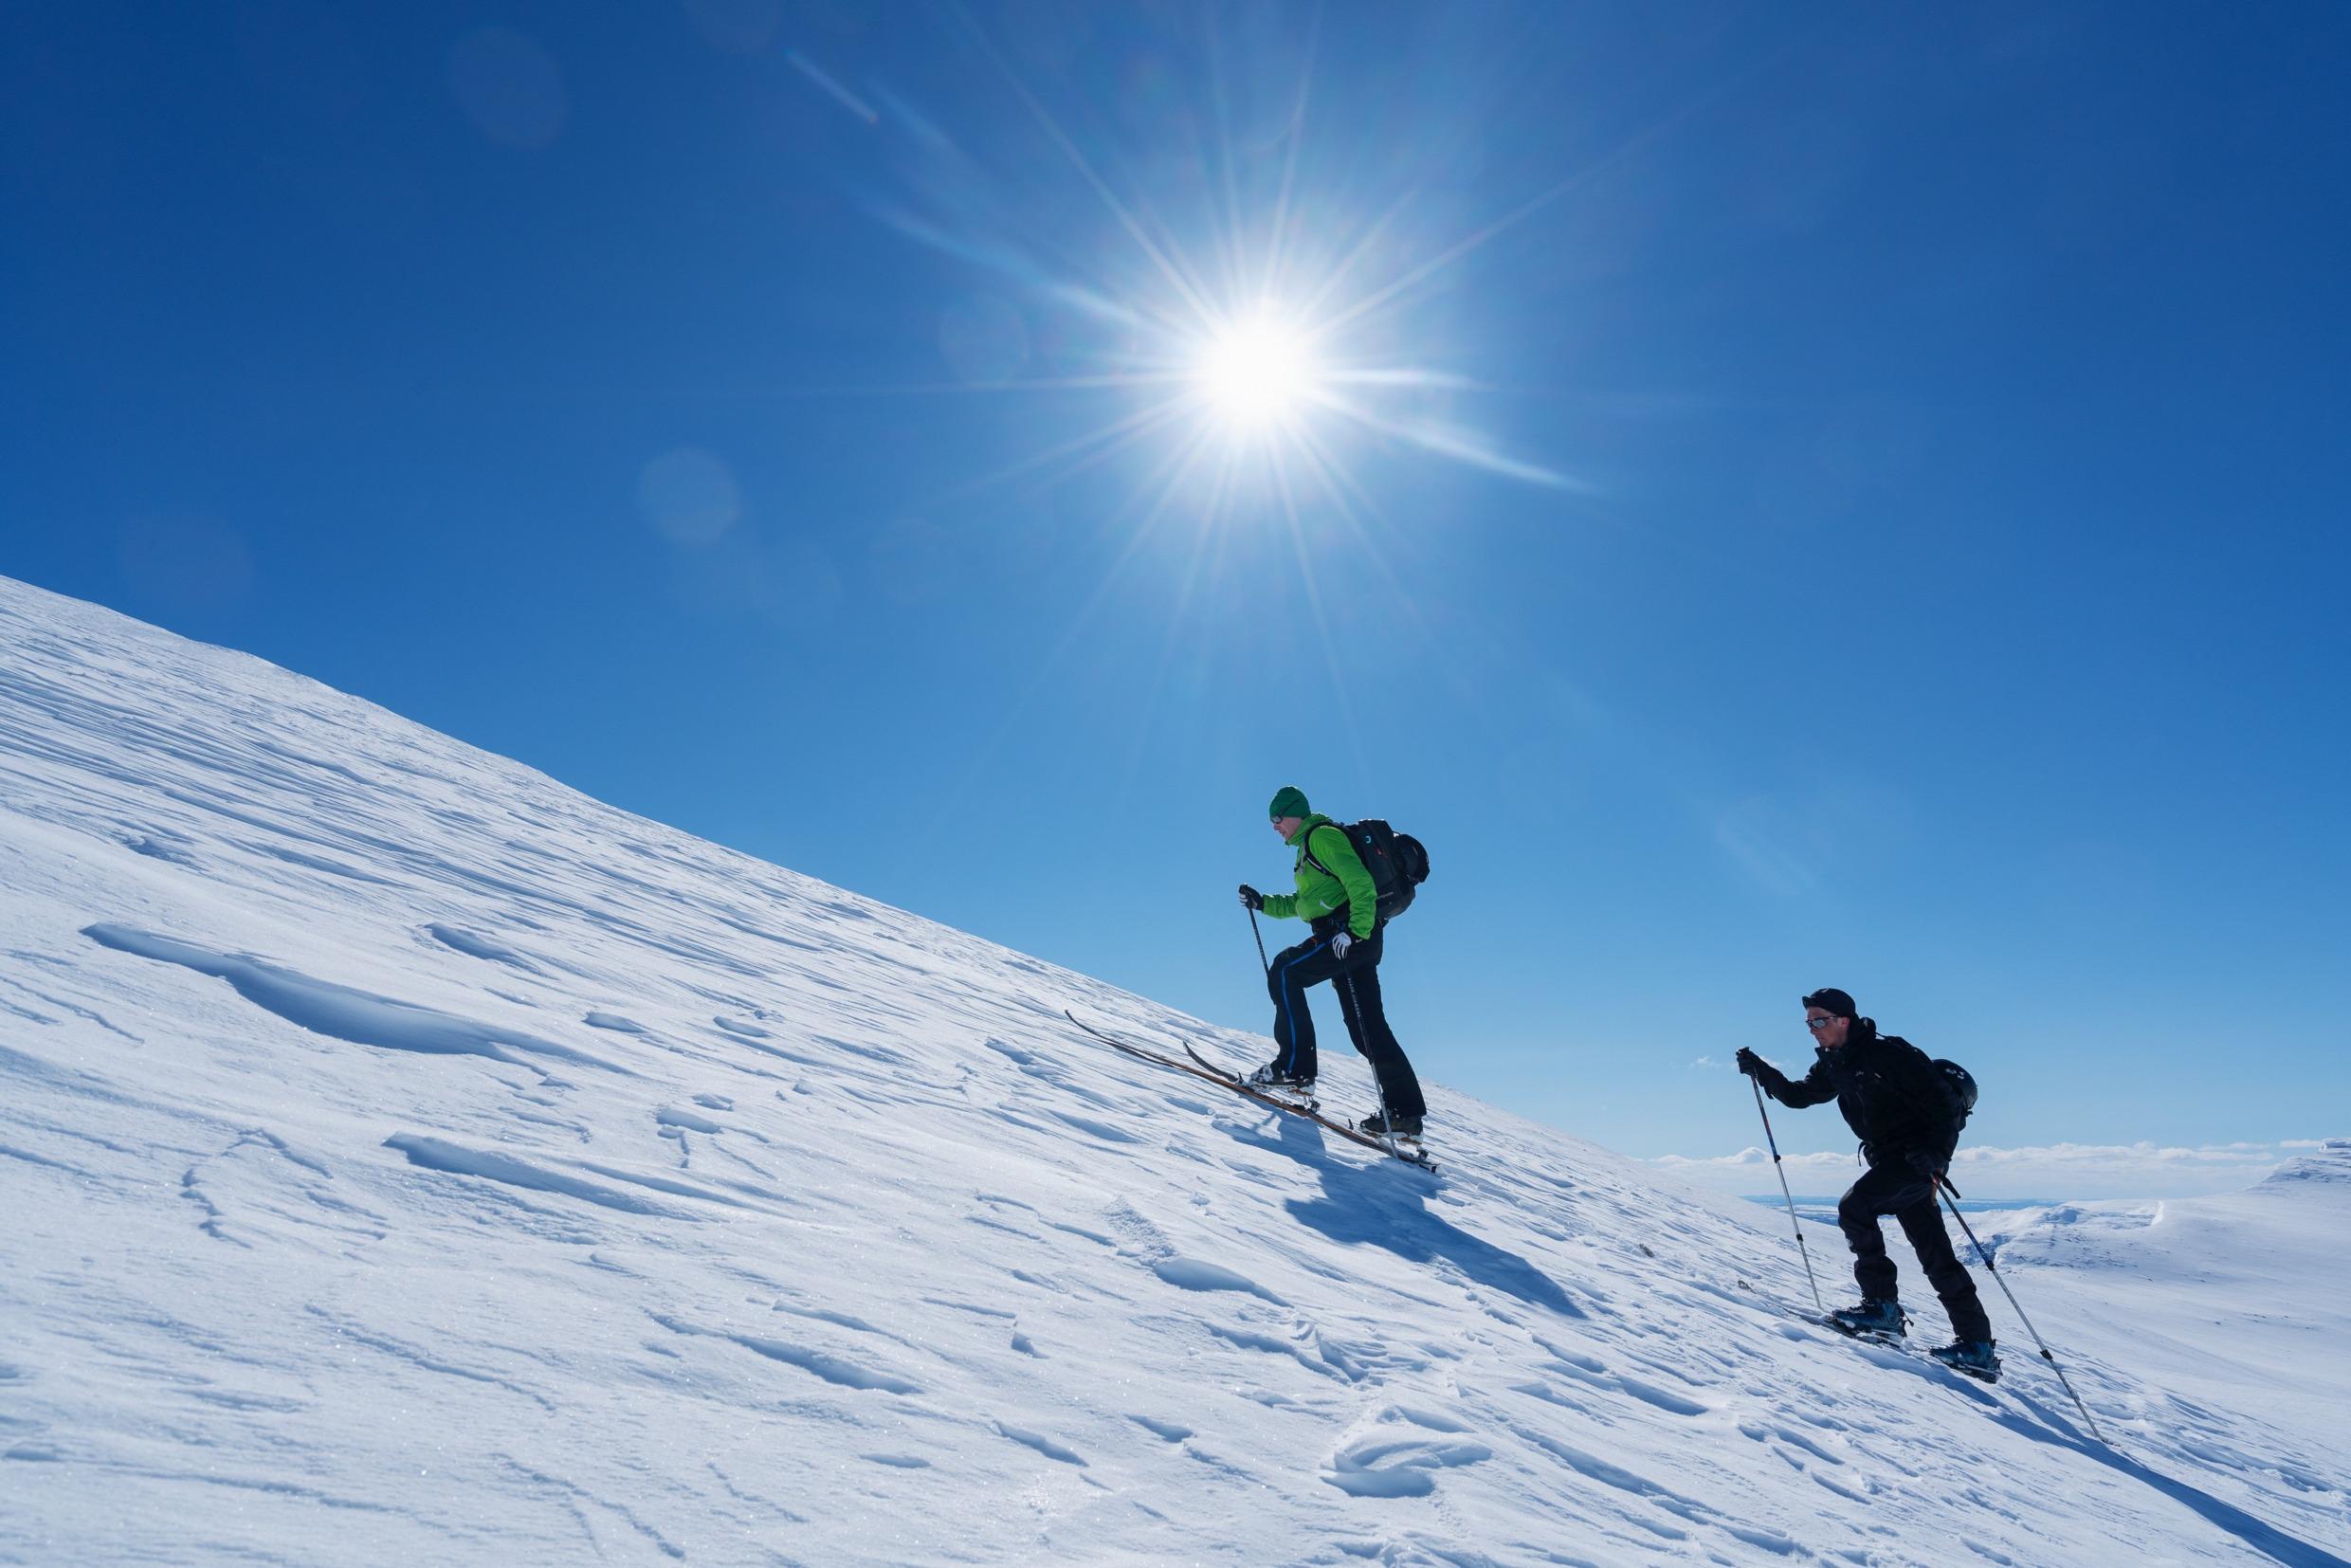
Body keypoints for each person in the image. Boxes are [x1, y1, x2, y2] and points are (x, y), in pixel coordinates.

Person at [1737, 988, 1998, 1377]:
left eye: (1819, 1020)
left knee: (1855, 1208)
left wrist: (1937, 1155)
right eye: (1809, 1022)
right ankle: (1977, 1346)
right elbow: (1798, 1096)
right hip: (1892, 1160)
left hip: (1915, 1160)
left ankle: (1882, 1310)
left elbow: (1942, 1104)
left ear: (1844, 1020)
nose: (1812, 1029)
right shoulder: (1834, 1063)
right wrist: (1761, 1070)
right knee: (1935, 1254)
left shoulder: (1888, 1054)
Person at [1236, 786, 1429, 1139]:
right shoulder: (1307, 850)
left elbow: (1360, 883)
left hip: (1347, 934)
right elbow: (1304, 903)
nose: (1275, 826)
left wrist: (1354, 932)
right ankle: (1405, 1114)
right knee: (1367, 1027)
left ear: (1296, 814)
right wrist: (1263, 903)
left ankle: (1294, 1070)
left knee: (1286, 970)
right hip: (1354, 937)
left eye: (1278, 818)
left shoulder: (1322, 837)